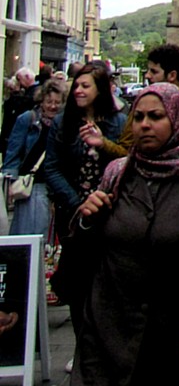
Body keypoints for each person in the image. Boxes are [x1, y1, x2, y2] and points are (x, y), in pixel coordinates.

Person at [71, 82, 179, 386]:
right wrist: (87, 219)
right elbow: (91, 251)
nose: (145, 125)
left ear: (178, 120)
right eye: (138, 117)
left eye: (156, 117)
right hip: (113, 328)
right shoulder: (117, 174)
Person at [43, 62, 128, 348]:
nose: (77, 90)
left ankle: (105, 344)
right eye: (76, 85)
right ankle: (84, 347)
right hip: (76, 215)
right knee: (77, 283)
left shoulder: (117, 122)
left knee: (108, 282)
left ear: (100, 89)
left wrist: (102, 143)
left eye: (85, 85)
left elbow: (128, 160)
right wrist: (77, 203)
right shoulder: (63, 122)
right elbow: (52, 168)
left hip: (110, 213)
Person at [2, 79, 65, 235]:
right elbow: (13, 152)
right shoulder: (27, 119)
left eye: (57, 102)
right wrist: (11, 180)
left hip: (55, 187)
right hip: (32, 185)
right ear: (41, 101)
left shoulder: (63, 124)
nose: (52, 106)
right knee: (31, 232)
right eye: (49, 101)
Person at [0, 67, 38, 154]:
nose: (20, 84)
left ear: (27, 77)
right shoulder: (29, 92)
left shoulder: (33, 93)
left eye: (19, 80)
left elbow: (20, 108)